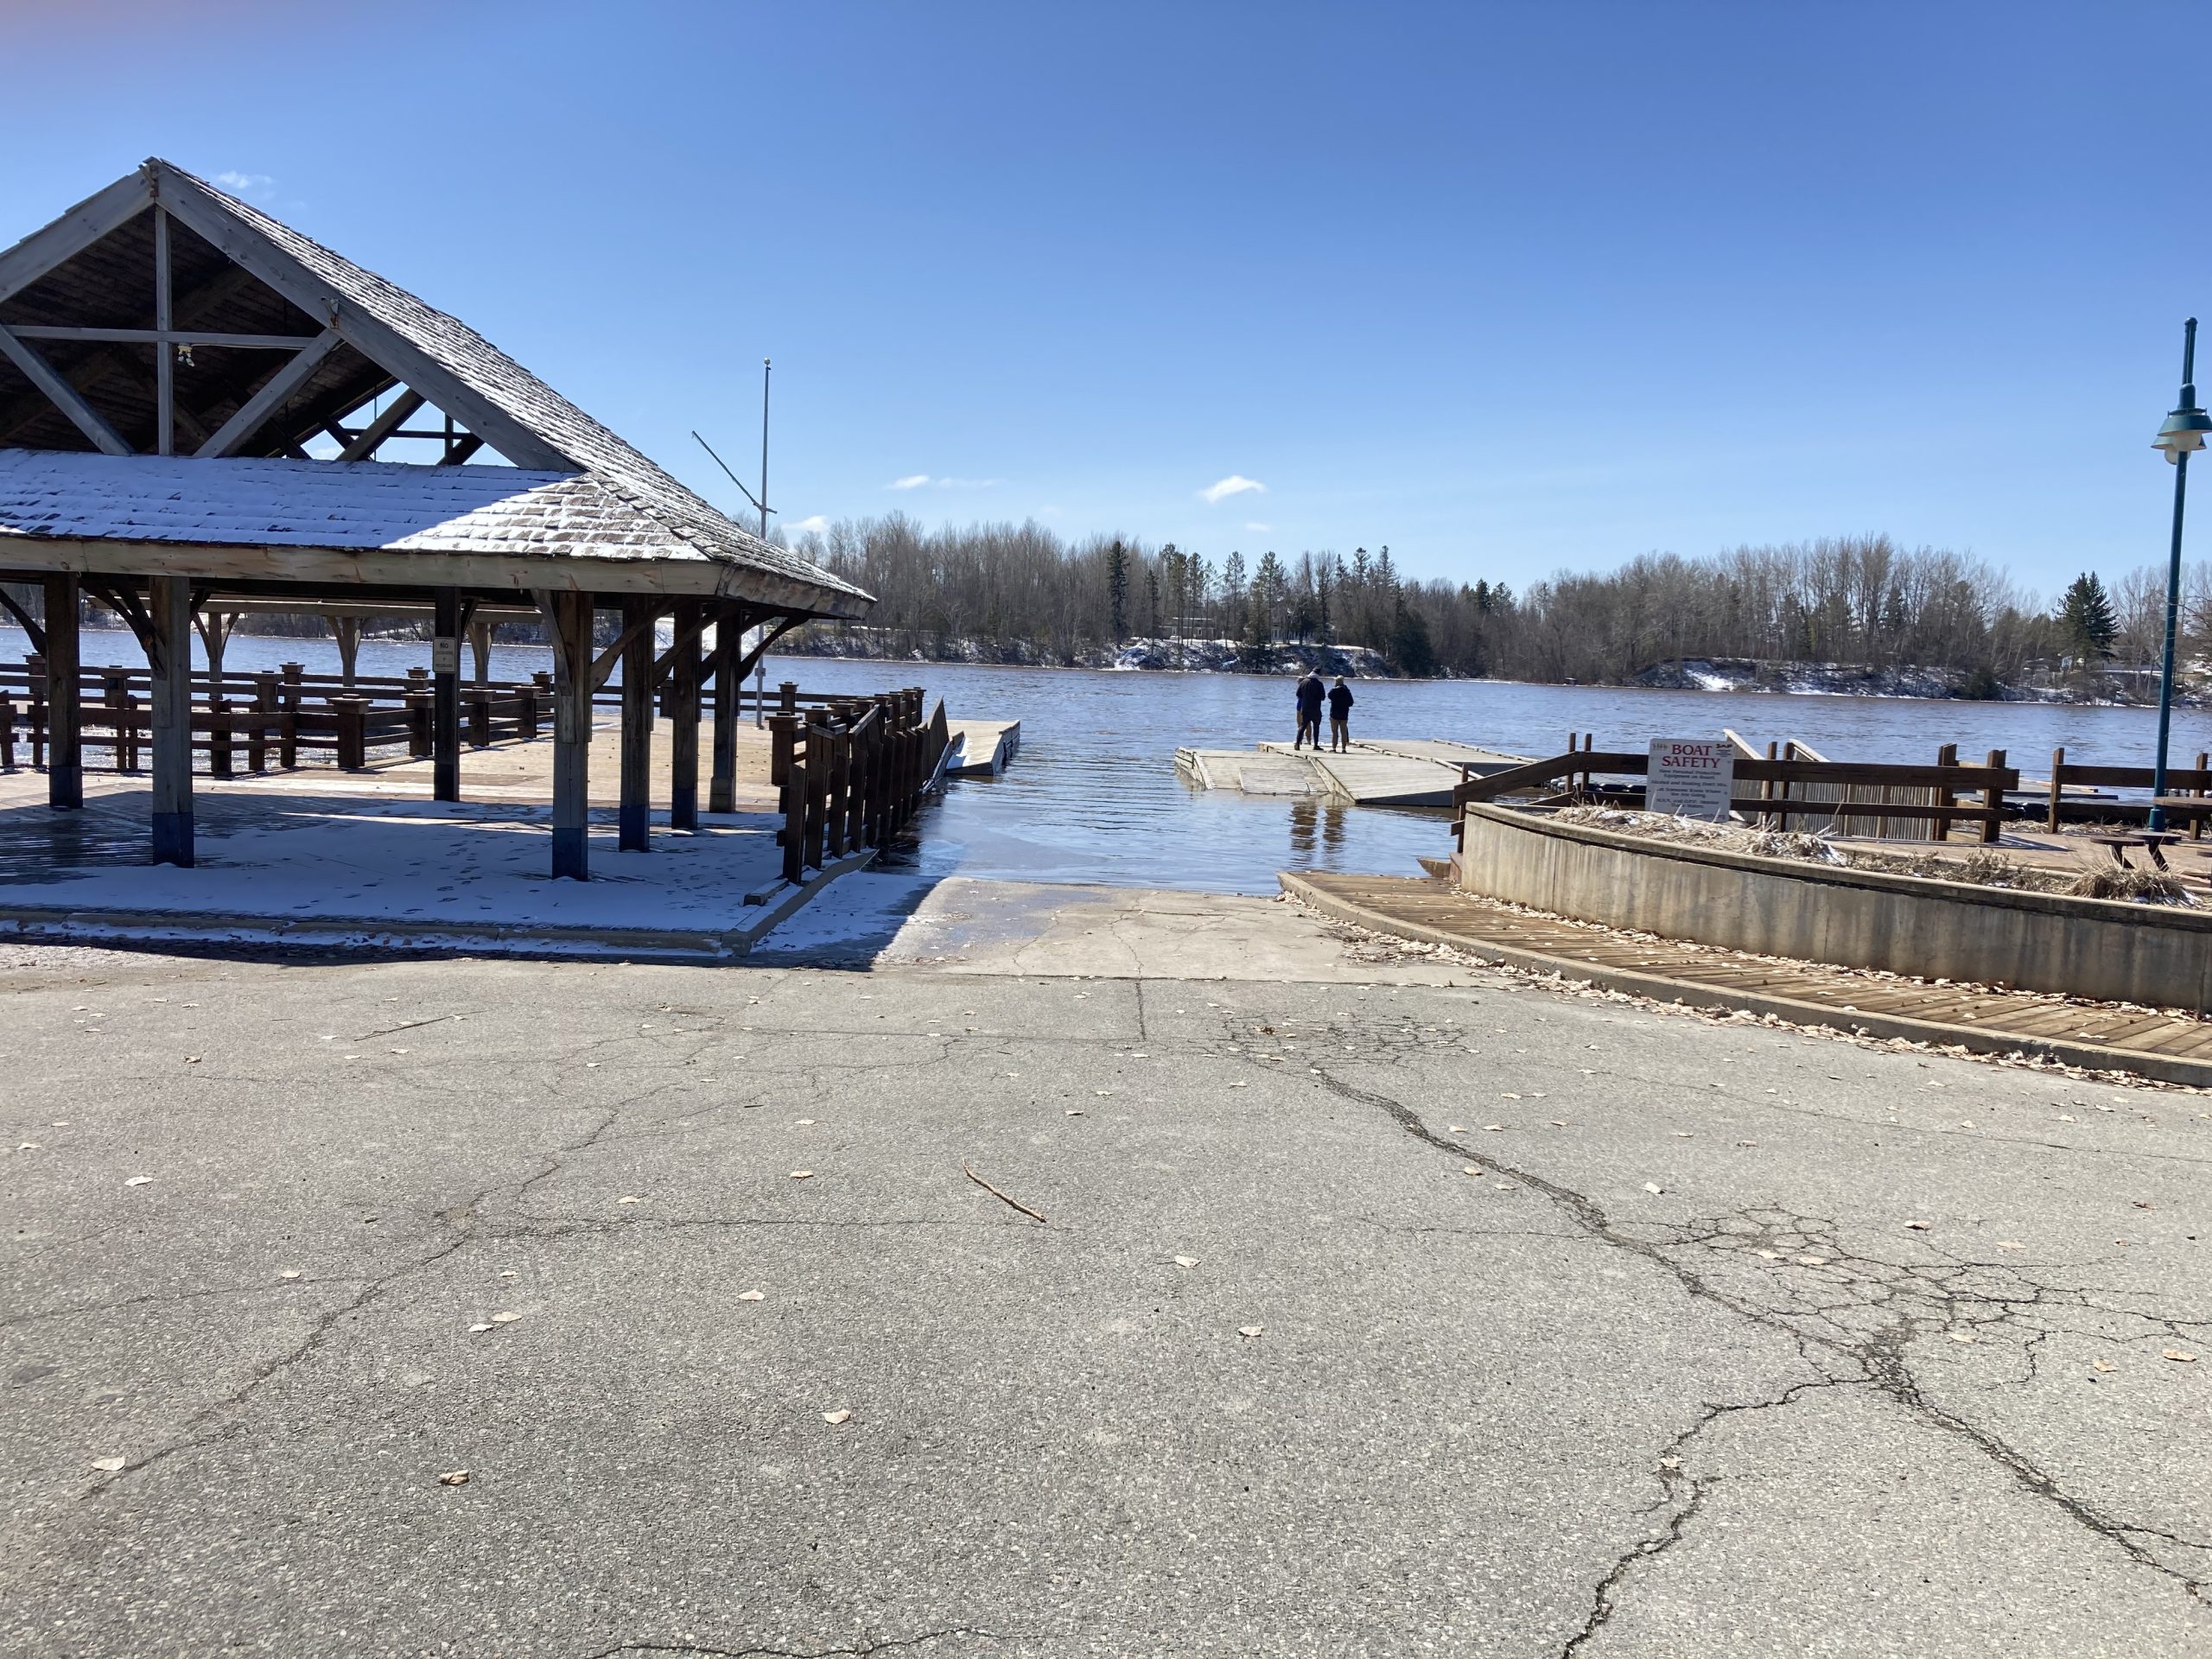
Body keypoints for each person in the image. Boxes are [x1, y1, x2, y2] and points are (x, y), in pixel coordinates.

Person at [1294, 670, 1325, 749]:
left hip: (1305, 708)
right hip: (1316, 708)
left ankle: (1297, 743)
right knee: (1316, 727)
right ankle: (1315, 745)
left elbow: (1298, 694)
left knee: (1303, 725)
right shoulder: (1319, 684)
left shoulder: (1304, 682)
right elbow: (1323, 697)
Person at [1326, 676, 1355, 752]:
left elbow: (1329, 696)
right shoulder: (1347, 691)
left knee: (1334, 732)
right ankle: (1343, 748)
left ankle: (1334, 748)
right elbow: (1351, 702)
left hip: (1334, 714)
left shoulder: (1333, 691)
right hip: (1344, 714)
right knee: (1344, 732)